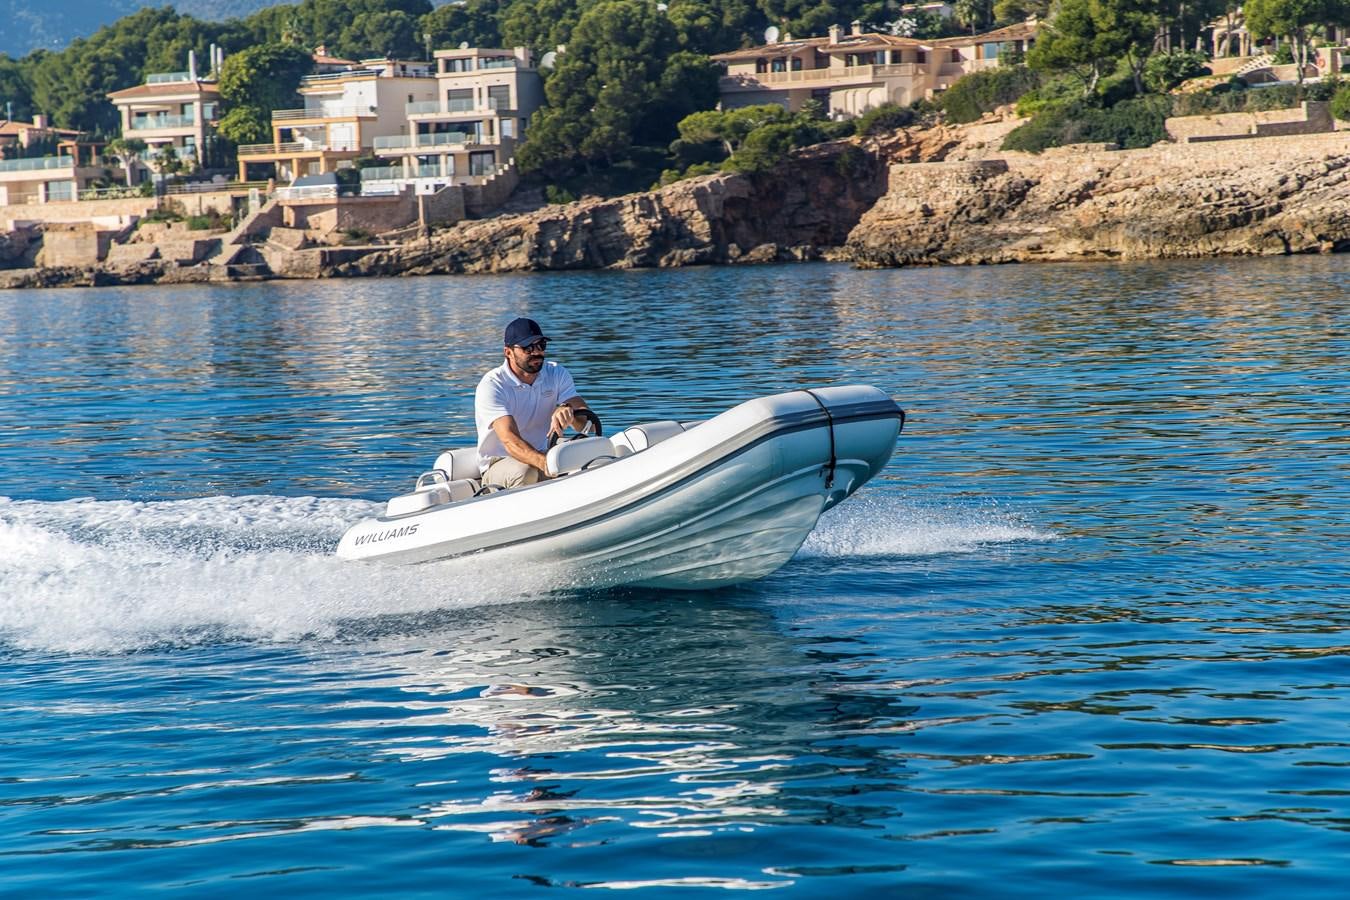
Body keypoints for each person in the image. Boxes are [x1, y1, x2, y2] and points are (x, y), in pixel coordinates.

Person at [474, 317, 592, 488]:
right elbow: (510, 440)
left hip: (542, 453)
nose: (537, 352)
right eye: (528, 348)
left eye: (541, 345)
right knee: (526, 471)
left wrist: (568, 411)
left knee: (590, 455)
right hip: (499, 463)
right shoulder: (492, 385)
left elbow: (589, 425)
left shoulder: (556, 373)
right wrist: (547, 464)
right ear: (508, 352)